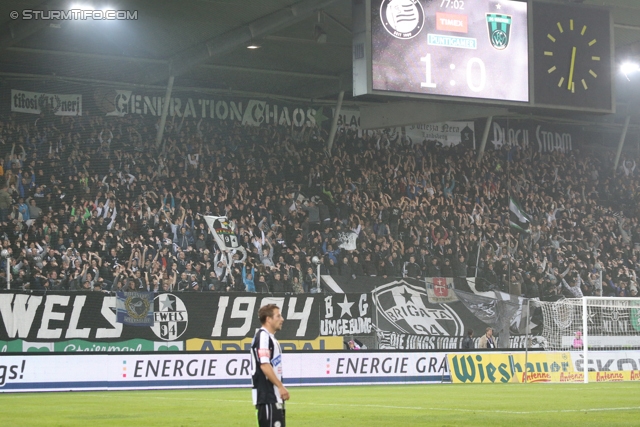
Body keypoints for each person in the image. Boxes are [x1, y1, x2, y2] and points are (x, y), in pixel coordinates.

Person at [251, 304, 289, 427]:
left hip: (274, 397)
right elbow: (264, 365)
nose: (282, 319)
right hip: (268, 396)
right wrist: (280, 386)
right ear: (268, 319)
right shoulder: (263, 337)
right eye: (278, 316)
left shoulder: (270, 339)